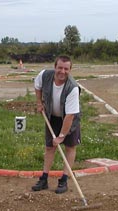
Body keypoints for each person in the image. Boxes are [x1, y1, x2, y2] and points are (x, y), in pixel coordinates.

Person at [31, 55, 81, 194]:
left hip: (68, 119)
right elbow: (37, 85)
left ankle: (64, 180)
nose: (62, 72)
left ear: (70, 70)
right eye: (60, 68)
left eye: (66, 69)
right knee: (49, 147)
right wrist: (39, 102)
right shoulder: (44, 75)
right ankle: (44, 178)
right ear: (55, 67)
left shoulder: (72, 88)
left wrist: (61, 135)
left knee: (70, 147)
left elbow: (70, 116)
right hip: (51, 116)